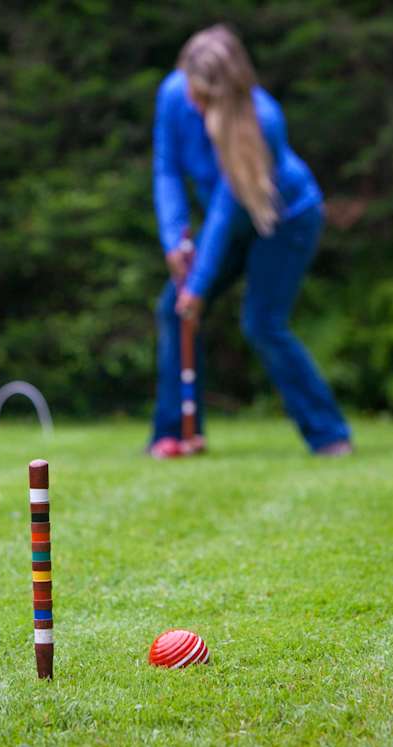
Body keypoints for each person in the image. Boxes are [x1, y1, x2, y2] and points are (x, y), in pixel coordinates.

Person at [149, 24, 352, 458]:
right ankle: (175, 434)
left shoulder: (262, 120)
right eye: (190, 85)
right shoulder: (172, 95)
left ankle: (330, 435)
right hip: (232, 223)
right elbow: (166, 169)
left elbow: (225, 212)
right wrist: (173, 240)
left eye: (202, 93)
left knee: (261, 324)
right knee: (173, 309)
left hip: (285, 219)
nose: (191, 100)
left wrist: (199, 287)